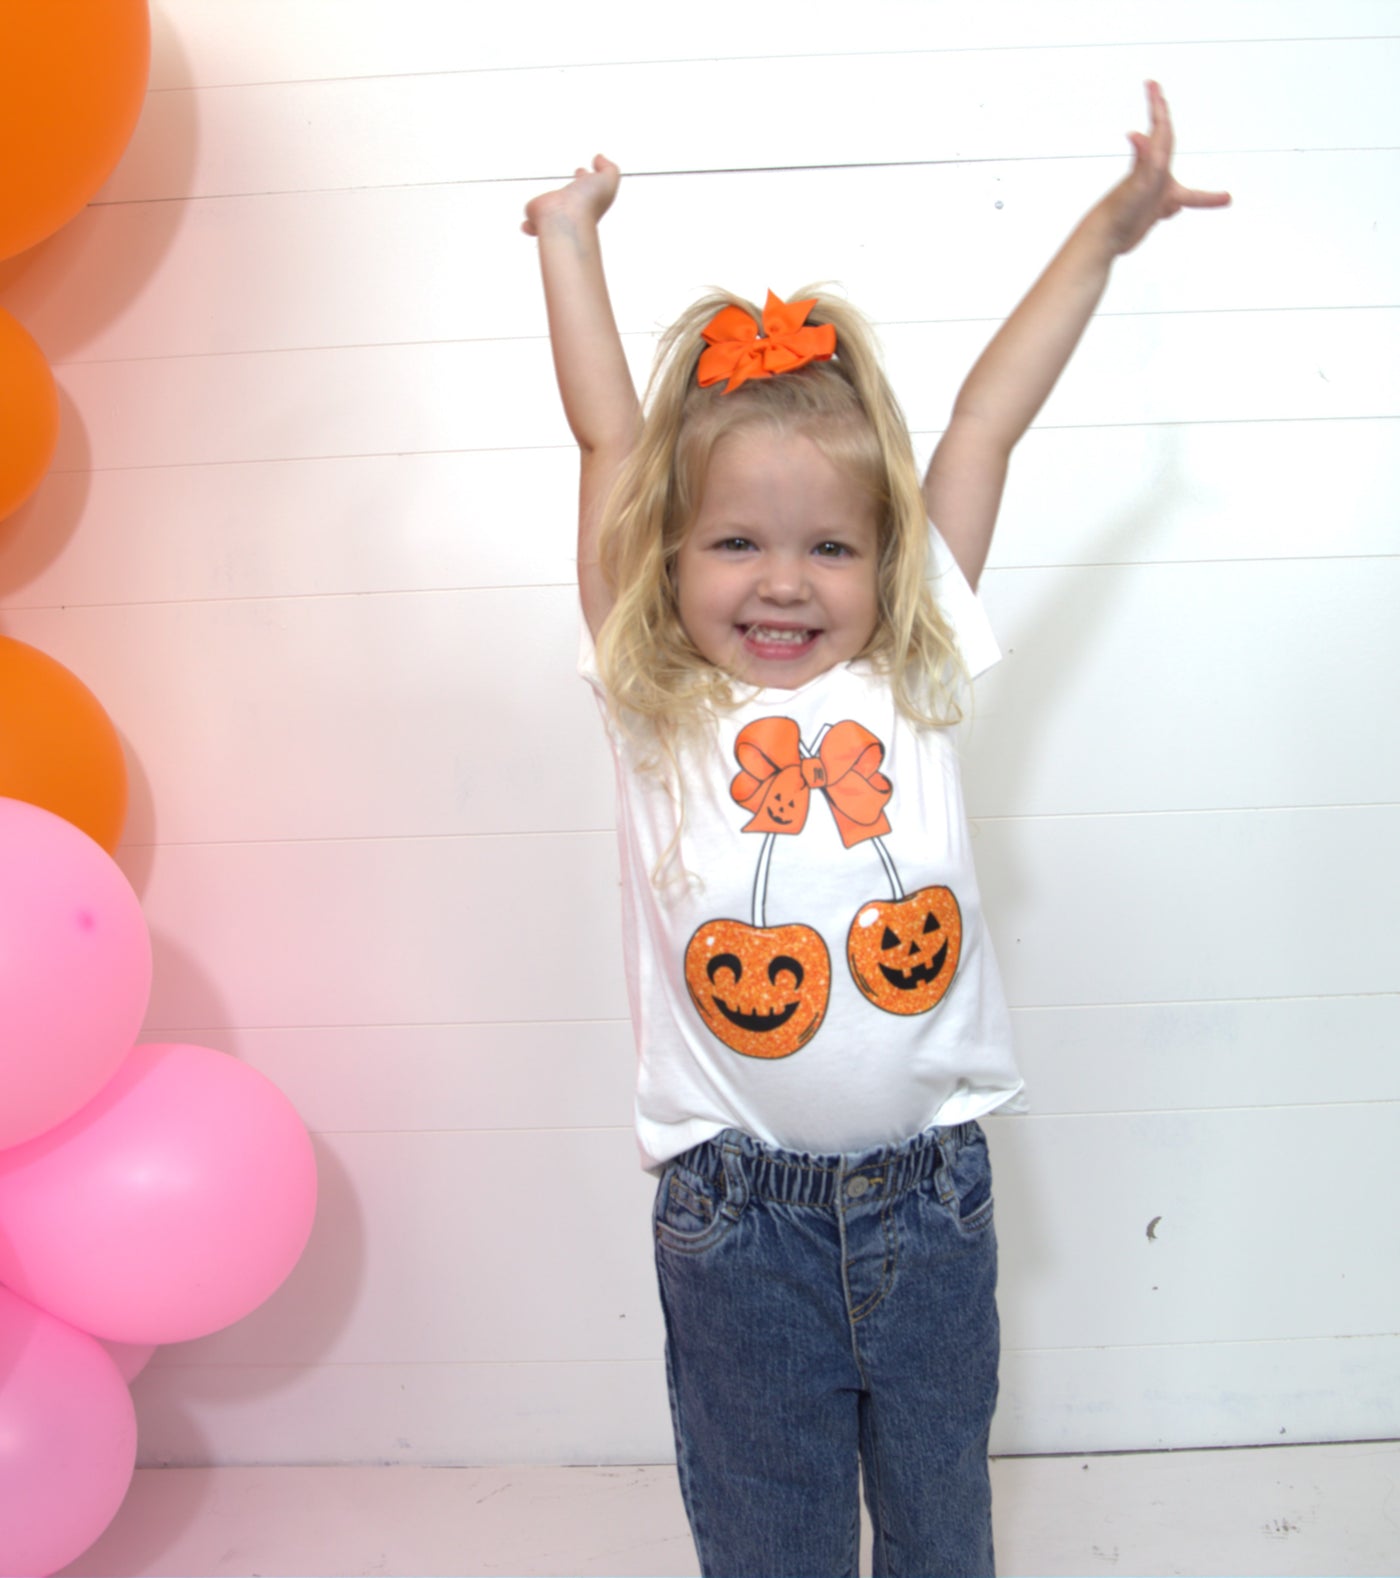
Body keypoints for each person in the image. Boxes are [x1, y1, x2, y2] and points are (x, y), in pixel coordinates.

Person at [522, 82, 1228, 1578]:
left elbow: (985, 419)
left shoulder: (909, 671)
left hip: (933, 1197)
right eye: (735, 543)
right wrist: (570, 241)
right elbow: (604, 435)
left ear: (887, 559)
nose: (783, 583)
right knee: (772, 1536)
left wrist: (1107, 234)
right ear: (669, 551)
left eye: (829, 544)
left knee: (940, 1530)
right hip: (738, 1225)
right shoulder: (660, 702)